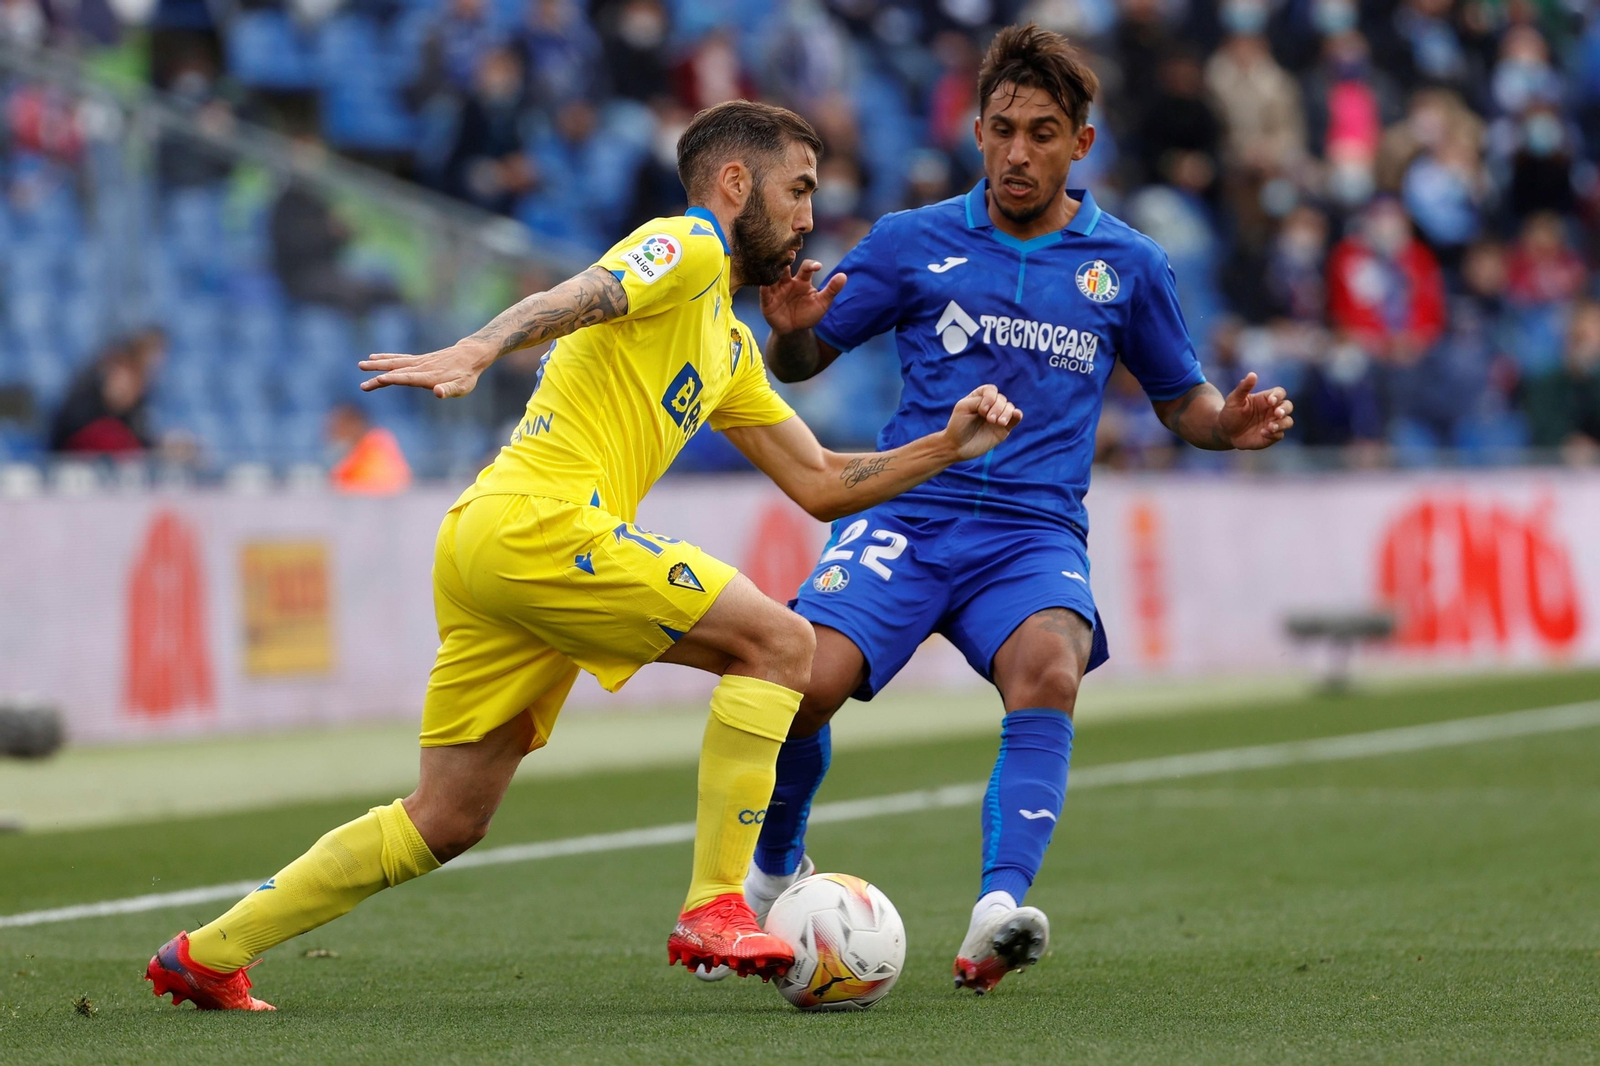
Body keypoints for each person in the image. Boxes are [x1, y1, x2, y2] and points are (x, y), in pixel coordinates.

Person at [144, 99, 1023, 1011]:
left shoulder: (723, 343)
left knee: (445, 818)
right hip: (544, 521)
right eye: (797, 190)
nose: (808, 217)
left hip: (494, 544)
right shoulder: (690, 246)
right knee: (782, 645)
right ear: (734, 183)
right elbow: (576, 295)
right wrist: (480, 346)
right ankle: (718, 902)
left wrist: (943, 448)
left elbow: (823, 483)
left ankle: (207, 953)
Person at [726, 24, 1294, 996]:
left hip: (1029, 534)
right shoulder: (911, 242)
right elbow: (806, 356)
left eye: (1041, 132)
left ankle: (997, 910)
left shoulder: (1127, 265)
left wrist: (1225, 423)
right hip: (906, 510)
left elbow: (1179, 401)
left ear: (1082, 142)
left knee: (1049, 666)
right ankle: (777, 866)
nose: (1017, 152)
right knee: (803, 680)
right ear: (975, 132)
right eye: (1000, 130)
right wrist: (787, 338)